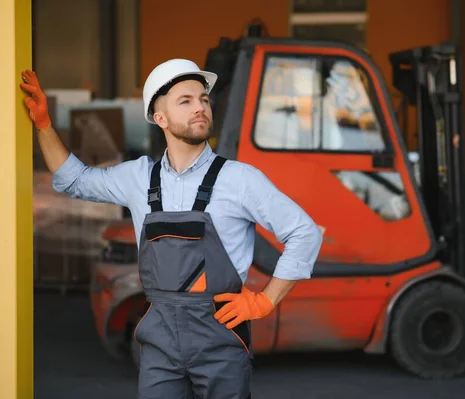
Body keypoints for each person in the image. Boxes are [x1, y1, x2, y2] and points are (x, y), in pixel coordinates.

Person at [20, 59, 323, 398]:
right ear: (160, 118)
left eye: (204, 100)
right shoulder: (137, 178)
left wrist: (266, 301)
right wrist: (44, 125)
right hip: (159, 341)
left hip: (220, 339)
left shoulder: (240, 179)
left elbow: (304, 233)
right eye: (186, 101)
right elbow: (74, 180)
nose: (200, 108)